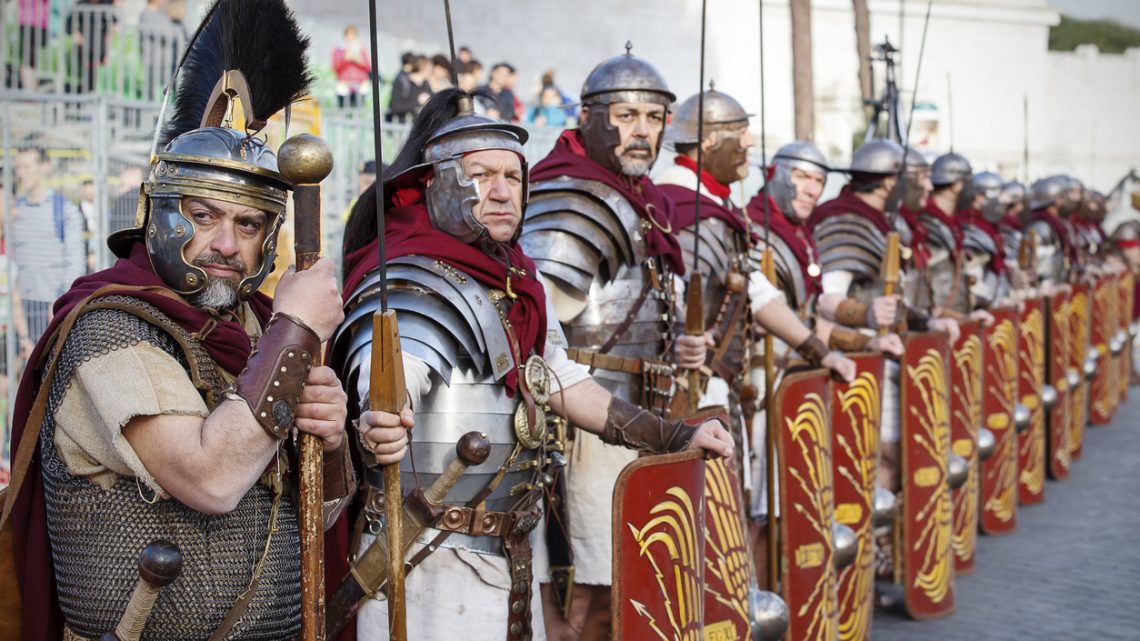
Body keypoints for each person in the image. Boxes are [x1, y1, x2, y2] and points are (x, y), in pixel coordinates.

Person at [0, 2, 354, 639]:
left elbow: (311, 521)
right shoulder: (110, 329)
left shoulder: (261, 328)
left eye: (248, 224)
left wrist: (328, 446)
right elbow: (211, 477)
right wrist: (299, 329)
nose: (226, 244)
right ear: (161, 215)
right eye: (203, 215)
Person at [332, 88, 735, 641]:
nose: (502, 192)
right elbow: (386, 381)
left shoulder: (516, 279)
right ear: (438, 183)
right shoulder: (408, 277)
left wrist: (671, 435)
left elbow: (559, 379)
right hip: (424, 558)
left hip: (509, 548)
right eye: (480, 176)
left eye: (512, 176)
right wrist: (381, 421)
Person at [518, 45, 712, 640]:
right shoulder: (573, 199)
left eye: (653, 118)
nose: (642, 131)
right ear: (590, 118)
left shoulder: (638, 199)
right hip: (584, 430)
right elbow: (534, 329)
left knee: (627, 584)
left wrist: (675, 350)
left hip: (640, 417)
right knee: (587, 593)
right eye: (626, 116)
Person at [10, 147, 87, 341]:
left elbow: (75, 260)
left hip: (53, 305)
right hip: (20, 307)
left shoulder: (64, 210)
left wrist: (62, 299)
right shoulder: (15, 210)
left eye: (27, 166)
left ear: (44, 167)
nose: (21, 173)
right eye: (18, 167)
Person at [137, 0, 176, 101]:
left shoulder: (162, 14)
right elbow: (168, 34)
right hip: (153, 62)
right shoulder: (146, 15)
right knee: (150, 94)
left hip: (166, 62)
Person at [332, 25, 372, 109]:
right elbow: (335, 67)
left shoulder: (362, 49)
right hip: (344, 83)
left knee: (359, 107)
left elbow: (369, 67)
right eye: (348, 35)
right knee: (344, 108)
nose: (351, 38)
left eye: (353, 35)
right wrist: (345, 59)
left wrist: (359, 61)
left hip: (360, 83)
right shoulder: (339, 49)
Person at [387, 54, 432, 123]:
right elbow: (395, 106)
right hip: (403, 125)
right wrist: (418, 101)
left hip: (420, 125)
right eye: (428, 68)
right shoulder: (402, 81)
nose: (431, 70)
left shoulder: (425, 83)